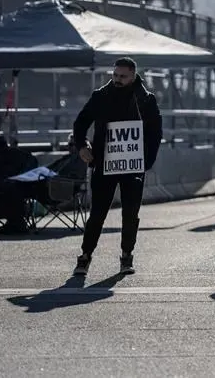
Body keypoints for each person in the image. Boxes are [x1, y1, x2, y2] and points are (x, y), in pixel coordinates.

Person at [71, 57, 163, 276]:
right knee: (97, 213)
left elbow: (155, 133)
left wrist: (146, 161)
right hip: (104, 163)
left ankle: (126, 256)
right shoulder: (100, 96)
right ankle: (85, 256)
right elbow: (80, 123)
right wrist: (83, 146)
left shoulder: (146, 100)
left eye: (123, 77)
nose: (117, 80)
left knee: (131, 213)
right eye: (115, 75)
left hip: (133, 164)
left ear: (133, 76)